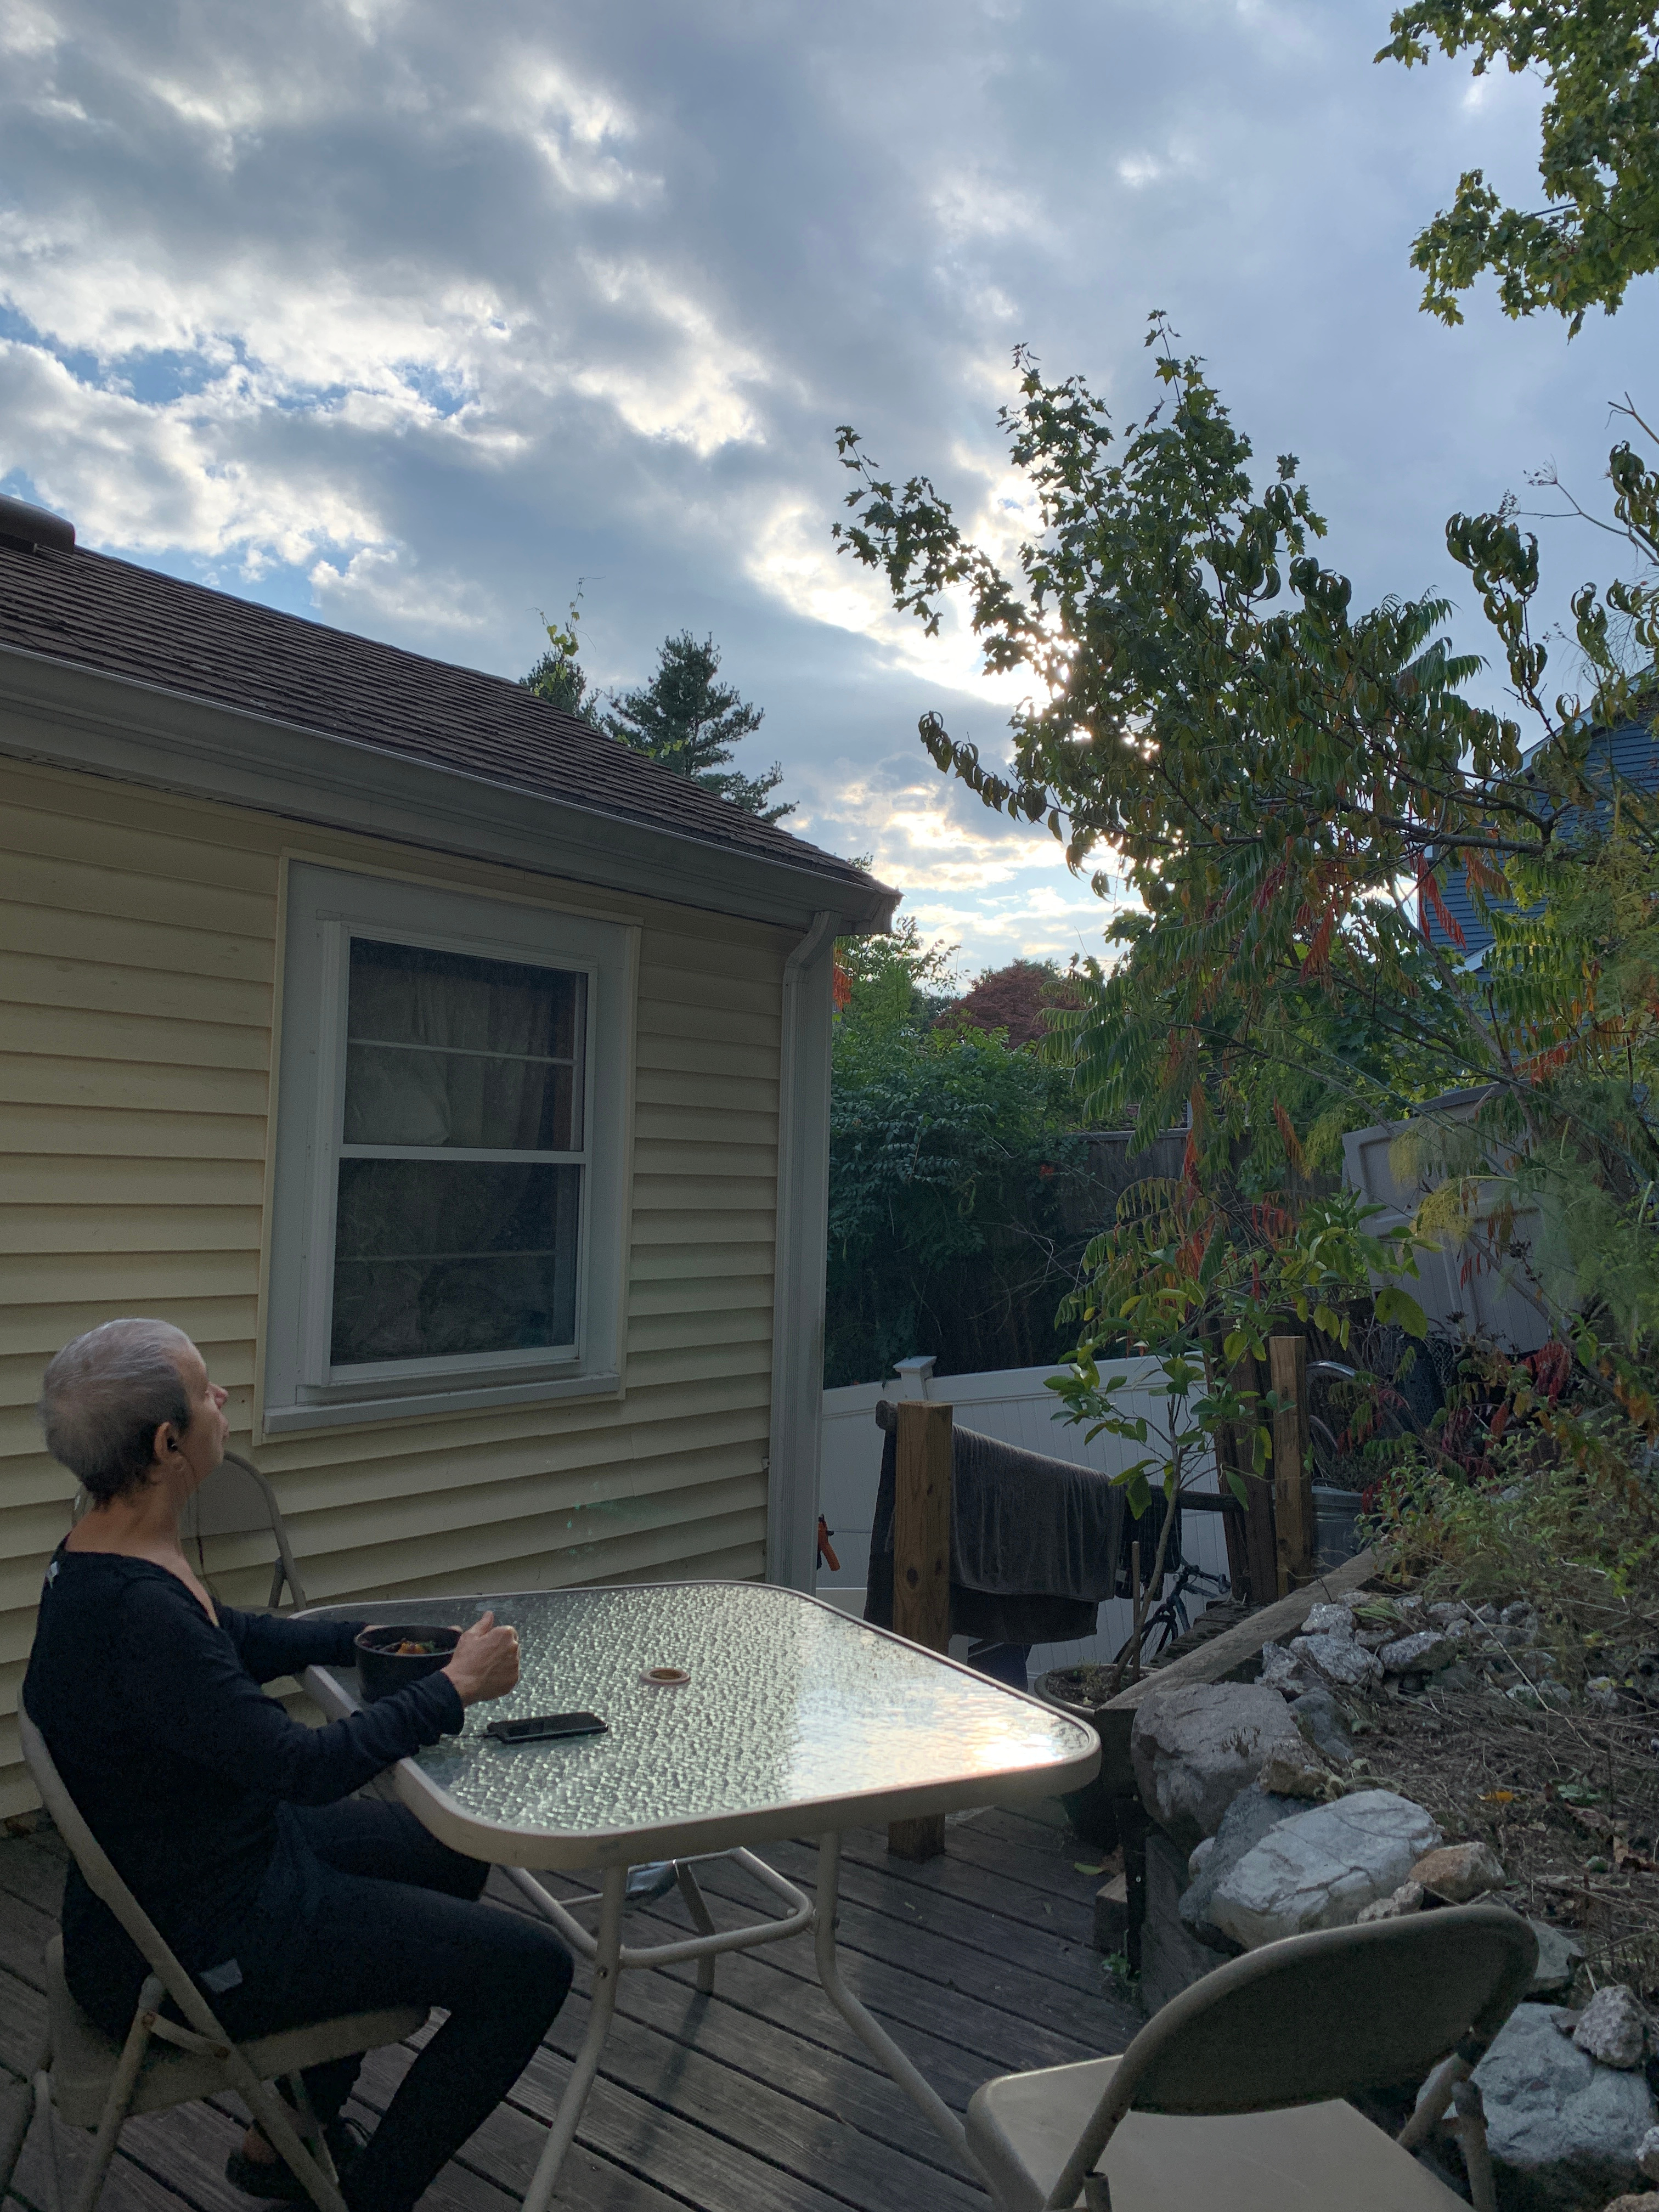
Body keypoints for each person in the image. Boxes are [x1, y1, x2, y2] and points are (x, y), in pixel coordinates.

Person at [22, 1318, 574, 2211]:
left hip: (192, 1868)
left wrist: (368, 1642)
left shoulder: (101, 1550)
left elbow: (233, 1637)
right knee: (532, 1972)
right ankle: (375, 2198)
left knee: (448, 1846)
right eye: (204, 1390)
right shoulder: (139, 1615)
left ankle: (283, 2140)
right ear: (167, 1445)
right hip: (194, 1945)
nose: (223, 1398)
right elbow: (307, 1766)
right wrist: (455, 1688)